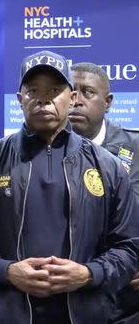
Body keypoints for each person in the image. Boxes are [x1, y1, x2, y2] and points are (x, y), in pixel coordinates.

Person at [0, 50, 139, 323]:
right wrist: (7, 271)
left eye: (55, 89)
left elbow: (129, 247)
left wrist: (89, 273)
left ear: (71, 98)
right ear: (19, 100)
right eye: (33, 90)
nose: (44, 98)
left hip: (88, 315)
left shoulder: (107, 166)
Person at [68, 62, 139, 323]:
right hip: (67, 300)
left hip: (128, 302)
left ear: (107, 102)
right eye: (71, 92)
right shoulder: (37, 152)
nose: (77, 101)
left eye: (87, 92)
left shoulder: (137, 149)